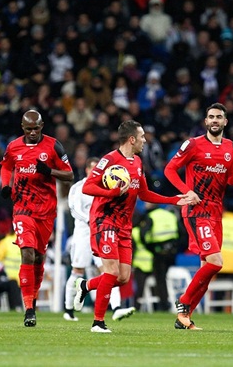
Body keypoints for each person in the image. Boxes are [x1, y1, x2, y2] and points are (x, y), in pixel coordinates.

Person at [73, 120, 190, 333]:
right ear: (132, 139)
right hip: (105, 221)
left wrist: (174, 200)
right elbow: (88, 186)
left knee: (123, 277)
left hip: (124, 227)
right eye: (142, 136)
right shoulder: (109, 160)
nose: (145, 140)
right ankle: (98, 322)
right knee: (111, 272)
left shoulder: (137, 162)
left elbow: (144, 193)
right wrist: (112, 193)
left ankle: (85, 286)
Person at [164, 102, 233, 330]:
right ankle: (183, 303)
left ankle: (184, 318)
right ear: (205, 121)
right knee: (216, 262)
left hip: (216, 212)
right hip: (196, 210)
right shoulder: (193, 145)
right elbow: (169, 170)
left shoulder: (230, 147)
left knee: (207, 270)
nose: (214, 120)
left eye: (218, 117)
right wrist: (186, 191)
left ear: (225, 122)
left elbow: (229, 177)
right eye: (210, 117)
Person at [0, 109, 74, 327]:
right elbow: (6, 166)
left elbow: (69, 174)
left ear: (42, 127)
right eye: (28, 129)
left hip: (46, 211)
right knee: (28, 254)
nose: (32, 132)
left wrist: (49, 171)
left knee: (39, 258)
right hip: (22, 208)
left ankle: (32, 300)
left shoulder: (53, 146)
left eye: (36, 128)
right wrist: (6, 185)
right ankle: (29, 308)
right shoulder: (13, 147)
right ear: (23, 128)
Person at [63, 157, 136, 321]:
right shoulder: (78, 187)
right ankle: (68, 310)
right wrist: (90, 219)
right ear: (88, 170)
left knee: (110, 271)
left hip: (101, 232)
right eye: (94, 168)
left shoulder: (107, 186)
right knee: (77, 271)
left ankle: (116, 307)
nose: (98, 172)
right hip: (83, 234)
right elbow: (73, 209)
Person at [138, 202, 181, 312]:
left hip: (158, 252)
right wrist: (176, 248)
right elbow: (182, 233)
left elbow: (142, 235)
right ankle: (164, 304)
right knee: (163, 277)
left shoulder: (151, 216)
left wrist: (151, 249)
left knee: (160, 279)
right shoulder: (170, 214)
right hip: (172, 252)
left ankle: (163, 305)